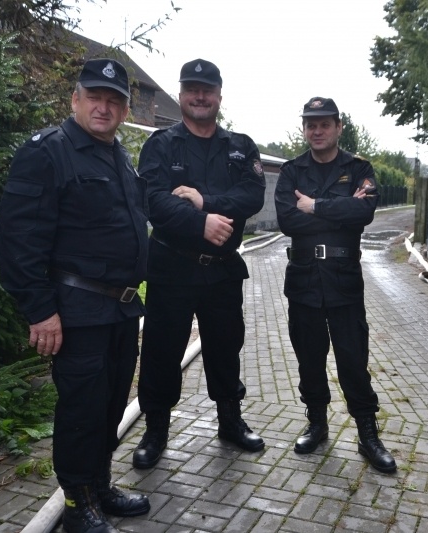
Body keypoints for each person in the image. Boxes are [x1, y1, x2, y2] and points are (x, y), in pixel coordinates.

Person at [0, 59, 150, 533]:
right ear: (75, 99)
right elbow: (16, 239)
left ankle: (99, 487)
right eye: (95, 97)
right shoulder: (48, 153)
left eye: (114, 100)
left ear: (124, 110)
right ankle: (77, 503)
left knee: (109, 404)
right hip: (77, 309)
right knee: (81, 409)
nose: (104, 107)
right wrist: (41, 310)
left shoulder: (118, 156)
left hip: (121, 307)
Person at [132, 59, 266, 469]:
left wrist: (205, 202)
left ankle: (230, 421)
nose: (200, 96)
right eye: (192, 88)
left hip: (222, 269)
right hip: (172, 266)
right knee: (161, 350)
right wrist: (200, 223)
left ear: (219, 96)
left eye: (207, 89)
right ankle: (156, 430)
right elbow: (154, 200)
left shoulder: (241, 146)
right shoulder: (160, 144)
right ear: (181, 94)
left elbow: (252, 196)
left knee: (226, 346)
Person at [274, 96, 397, 474]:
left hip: (344, 282)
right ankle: (317, 423)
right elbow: (287, 221)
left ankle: (367, 434)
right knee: (309, 357)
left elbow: (364, 212)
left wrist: (315, 207)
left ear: (338, 126)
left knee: (352, 360)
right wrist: (337, 210)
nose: (317, 130)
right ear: (304, 128)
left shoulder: (358, 167)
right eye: (311, 124)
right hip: (305, 280)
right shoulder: (292, 171)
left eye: (324, 123)